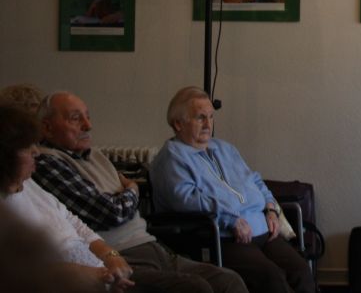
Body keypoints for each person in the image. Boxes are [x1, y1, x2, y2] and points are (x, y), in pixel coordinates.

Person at [32, 91, 247, 293]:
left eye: (87, 117)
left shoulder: (94, 155)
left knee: (229, 280)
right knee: (195, 287)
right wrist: (132, 189)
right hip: (119, 256)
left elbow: (118, 202)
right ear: (47, 128)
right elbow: (111, 212)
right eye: (75, 118)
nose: (88, 125)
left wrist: (125, 194)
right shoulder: (47, 162)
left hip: (152, 245)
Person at [149, 86, 315, 293]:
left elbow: (255, 180)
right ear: (178, 124)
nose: (208, 124)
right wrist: (231, 219)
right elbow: (187, 200)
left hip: (262, 229)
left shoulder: (224, 148)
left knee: (301, 271)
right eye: (200, 118)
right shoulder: (171, 158)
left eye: (211, 117)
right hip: (223, 236)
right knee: (271, 278)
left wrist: (271, 208)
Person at [0, 104, 135, 293]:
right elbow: (18, 271)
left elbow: (75, 223)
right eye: (26, 147)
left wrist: (112, 256)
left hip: (100, 275)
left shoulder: (29, 184)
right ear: (4, 157)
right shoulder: (5, 209)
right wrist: (92, 277)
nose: (36, 152)